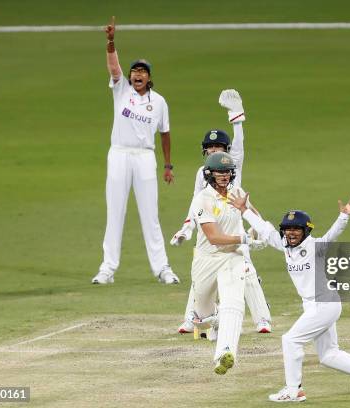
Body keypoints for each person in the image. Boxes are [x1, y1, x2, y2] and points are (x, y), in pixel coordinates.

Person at [228, 193, 350, 402]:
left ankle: (293, 390)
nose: (291, 234)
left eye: (296, 230)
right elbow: (264, 228)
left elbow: (332, 235)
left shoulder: (315, 247)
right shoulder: (285, 246)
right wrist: (244, 211)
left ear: (305, 231)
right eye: (288, 230)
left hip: (324, 304)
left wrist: (344, 215)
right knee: (328, 356)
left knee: (290, 340)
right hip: (314, 306)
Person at [170, 90, 272, 334]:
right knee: (202, 276)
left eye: (219, 147)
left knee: (246, 272)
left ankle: (263, 320)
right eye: (210, 148)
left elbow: (240, 146)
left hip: (234, 227)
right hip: (210, 229)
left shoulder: (232, 165)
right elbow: (195, 203)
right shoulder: (200, 173)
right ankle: (191, 319)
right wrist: (186, 228)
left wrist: (237, 119)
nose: (215, 152)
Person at [92, 16, 179, 285]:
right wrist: (110, 41)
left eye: (142, 72)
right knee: (115, 211)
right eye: (134, 71)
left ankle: (162, 268)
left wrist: (167, 165)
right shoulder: (121, 90)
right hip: (119, 154)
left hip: (144, 157)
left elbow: (165, 133)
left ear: (149, 77)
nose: (137, 74)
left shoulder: (160, 102)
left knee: (150, 215)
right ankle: (107, 268)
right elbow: (113, 67)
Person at [189, 151, 253, 375]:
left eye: (227, 171)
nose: (224, 176)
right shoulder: (202, 199)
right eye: (220, 172)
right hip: (207, 260)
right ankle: (213, 319)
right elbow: (214, 238)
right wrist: (245, 238)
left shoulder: (238, 193)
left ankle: (225, 352)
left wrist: (259, 233)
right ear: (209, 174)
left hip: (232, 257)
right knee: (201, 318)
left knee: (233, 303)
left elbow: (253, 217)